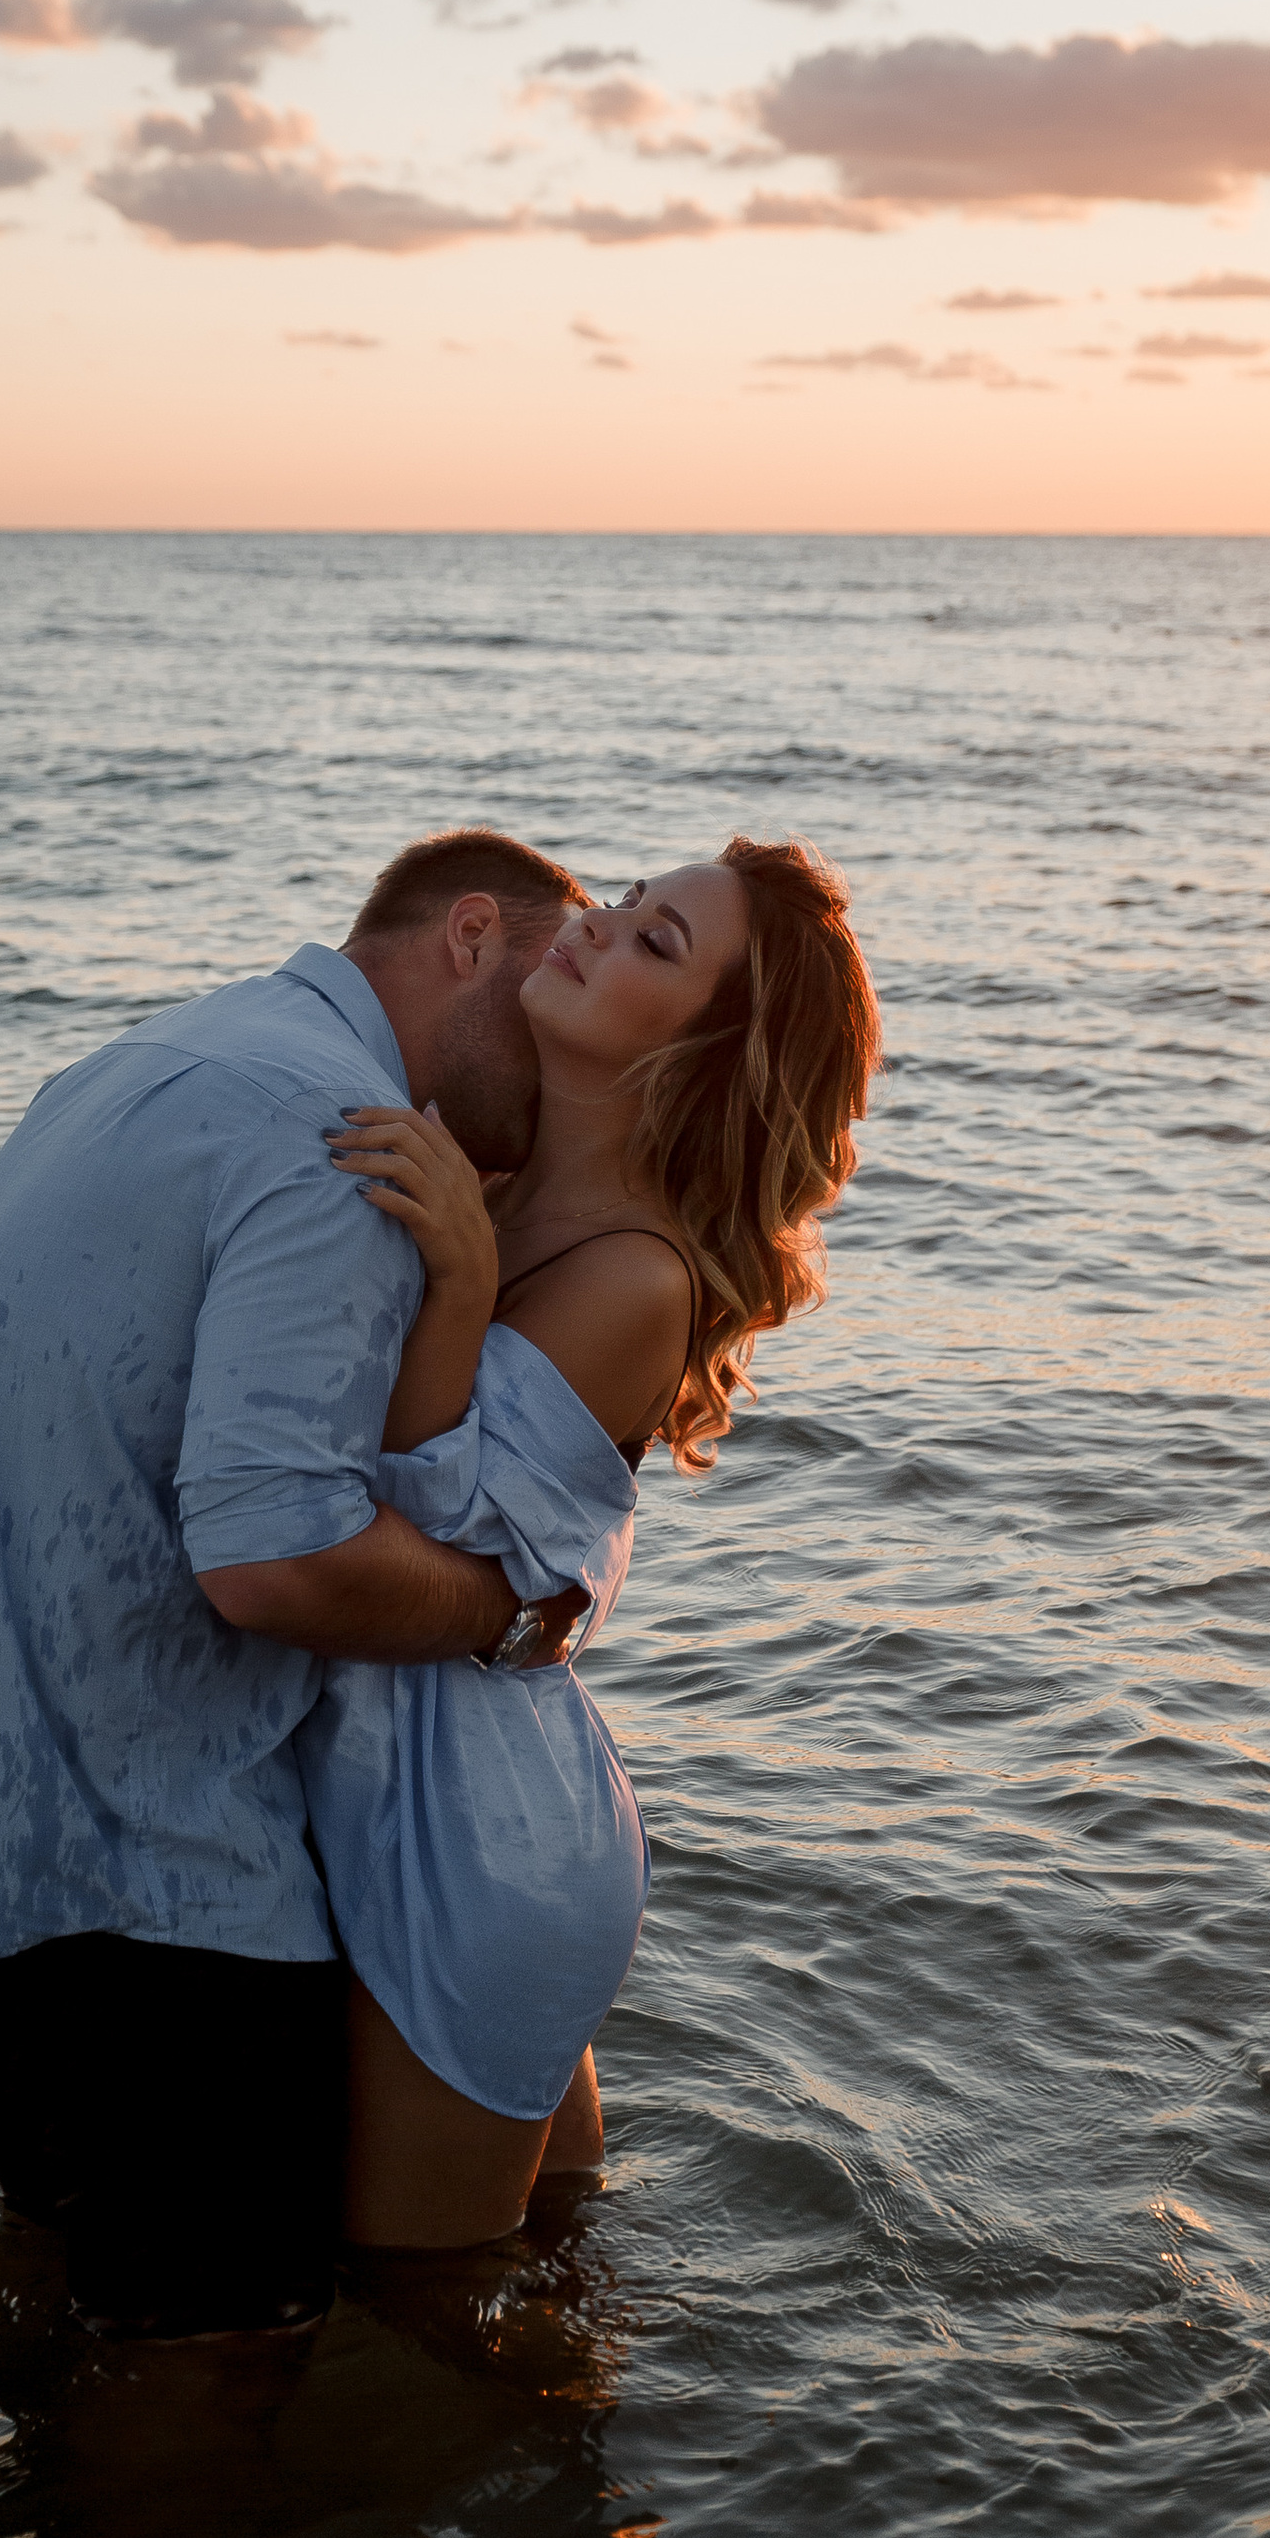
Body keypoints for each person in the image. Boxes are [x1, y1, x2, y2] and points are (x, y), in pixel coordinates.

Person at [0, 829, 592, 2341]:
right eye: (555, 981)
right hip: (143, 1884)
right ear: (473, 935)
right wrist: (503, 1617)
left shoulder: (162, 1054)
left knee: (60, 2308)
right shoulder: (343, 1137)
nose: (559, 1058)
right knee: (223, 2376)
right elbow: (271, 1561)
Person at [304, 836, 879, 2253]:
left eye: (657, 945)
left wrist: (460, 1279)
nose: (596, 926)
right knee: (552, 2261)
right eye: (630, 898)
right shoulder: (493, 1170)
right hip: (415, 1786)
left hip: (476, 1841)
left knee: (424, 2317)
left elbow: (425, 1522)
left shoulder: (634, 1274)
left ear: (703, 1056)